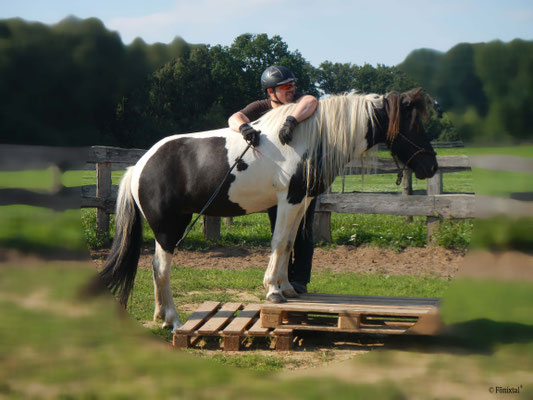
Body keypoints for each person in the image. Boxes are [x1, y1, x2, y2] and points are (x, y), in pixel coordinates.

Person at [228, 65, 319, 294]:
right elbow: (234, 117)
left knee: (304, 231)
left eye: (292, 85)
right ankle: (282, 275)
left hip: (304, 180)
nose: (292, 90)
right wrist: (244, 128)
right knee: (279, 229)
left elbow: (311, 101)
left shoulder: (300, 101)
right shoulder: (260, 107)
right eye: (286, 87)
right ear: (271, 92)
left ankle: (301, 280)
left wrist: (292, 120)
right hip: (276, 182)